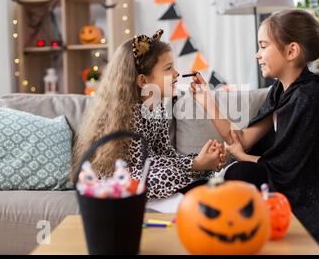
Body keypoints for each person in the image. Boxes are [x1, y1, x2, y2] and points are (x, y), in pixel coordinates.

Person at [190, 9, 319, 254]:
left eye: (263, 46)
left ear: (291, 51)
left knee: (241, 171)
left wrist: (241, 156)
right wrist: (207, 102)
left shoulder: (310, 98)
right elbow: (241, 138)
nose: (257, 55)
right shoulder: (280, 91)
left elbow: (288, 168)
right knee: (231, 176)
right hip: (292, 172)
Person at [71, 29, 225, 199]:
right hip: (118, 179)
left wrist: (201, 161)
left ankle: (200, 177)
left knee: (190, 171)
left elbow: (165, 154)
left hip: (145, 169)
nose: (176, 74)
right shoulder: (130, 113)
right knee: (166, 176)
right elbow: (144, 163)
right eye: (168, 68)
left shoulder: (157, 108)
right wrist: (194, 163)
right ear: (143, 81)